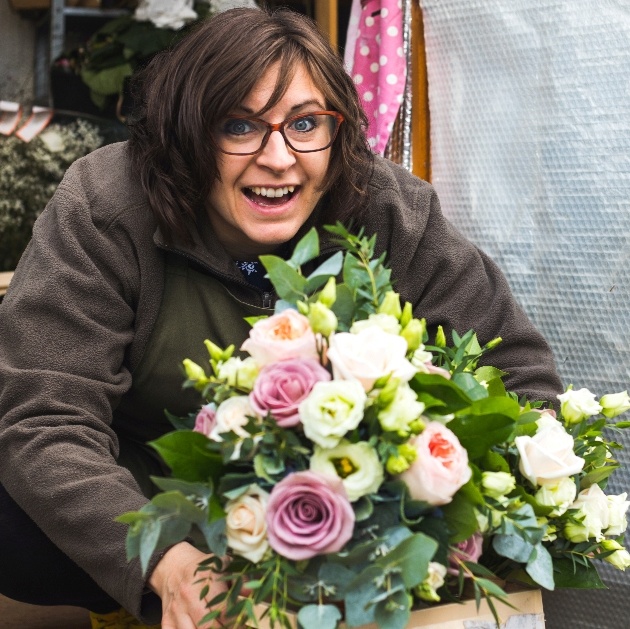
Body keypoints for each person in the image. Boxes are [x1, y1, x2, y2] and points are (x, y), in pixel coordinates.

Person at [0, 6, 563, 629]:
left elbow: (517, 372)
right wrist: (162, 561)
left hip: (340, 510)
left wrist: (441, 519)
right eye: (239, 125)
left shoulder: (391, 211)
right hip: (154, 492)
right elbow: (46, 415)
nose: (278, 158)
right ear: (186, 132)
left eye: (305, 123)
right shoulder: (108, 204)